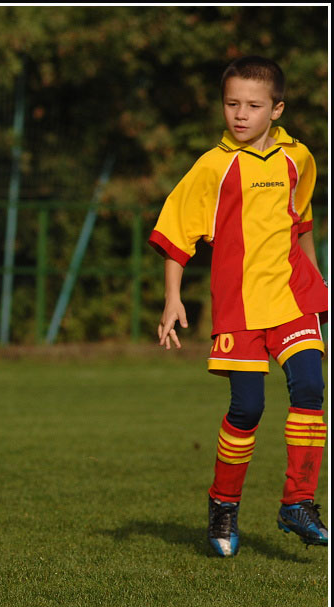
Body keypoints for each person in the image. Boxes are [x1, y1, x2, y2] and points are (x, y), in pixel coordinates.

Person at [151, 56, 328, 557]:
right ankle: (223, 504)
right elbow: (177, 234)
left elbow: (301, 224)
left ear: (277, 109)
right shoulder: (213, 165)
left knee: (310, 388)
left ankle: (298, 502)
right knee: (248, 408)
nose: (241, 114)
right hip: (240, 308)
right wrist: (172, 299)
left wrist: (320, 289)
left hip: (293, 299)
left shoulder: (299, 158)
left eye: (253, 105)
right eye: (232, 104)